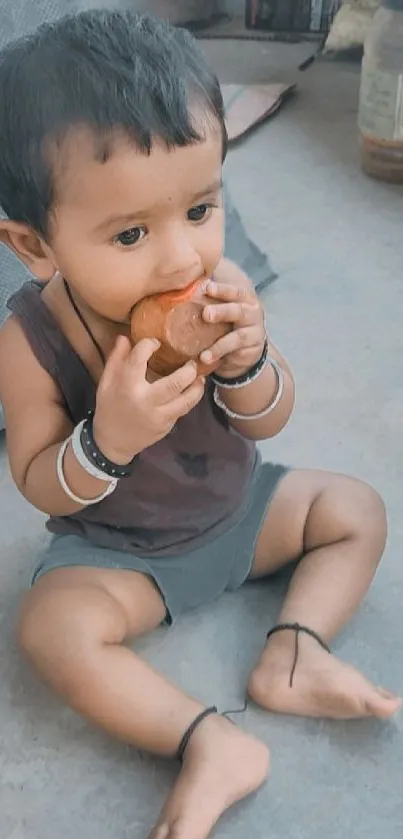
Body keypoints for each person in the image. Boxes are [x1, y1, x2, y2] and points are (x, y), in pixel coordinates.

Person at [0, 10, 399, 839]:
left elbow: (271, 416)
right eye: (132, 233)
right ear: (36, 244)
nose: (182, 258)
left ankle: (294, 648)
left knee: (356, 507)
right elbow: (36, 474)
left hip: (241, 510)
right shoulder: (31, 336)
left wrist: (250, 361)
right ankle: (208, 738)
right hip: (122, 552)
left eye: (201, 208)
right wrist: (107, 438)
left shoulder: (216, 293)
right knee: (51, 630)